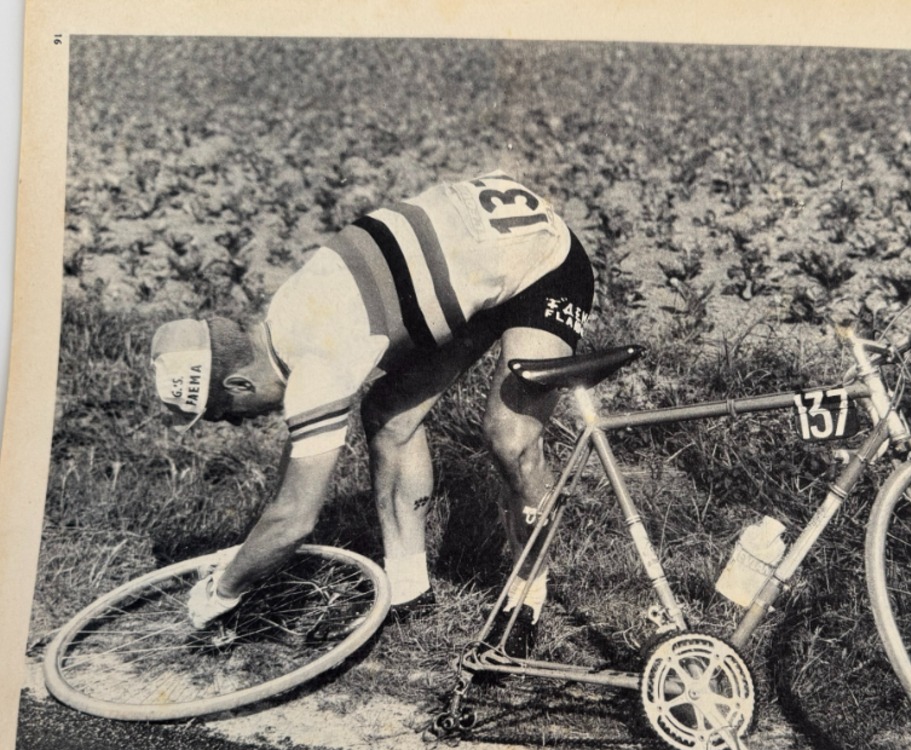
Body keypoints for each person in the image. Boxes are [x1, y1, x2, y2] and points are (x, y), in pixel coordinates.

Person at [151, 172, 594, 656]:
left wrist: (223, 590)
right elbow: (294, 478)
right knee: (388, 411)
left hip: (545, 263)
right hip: (482, 253)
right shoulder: (285, 314)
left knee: (511, 437)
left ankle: (528, 596)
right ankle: (408, 592)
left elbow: (293, 520)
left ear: (238, 383)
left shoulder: (315, 365)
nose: (235, 424)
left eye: (223, 414)